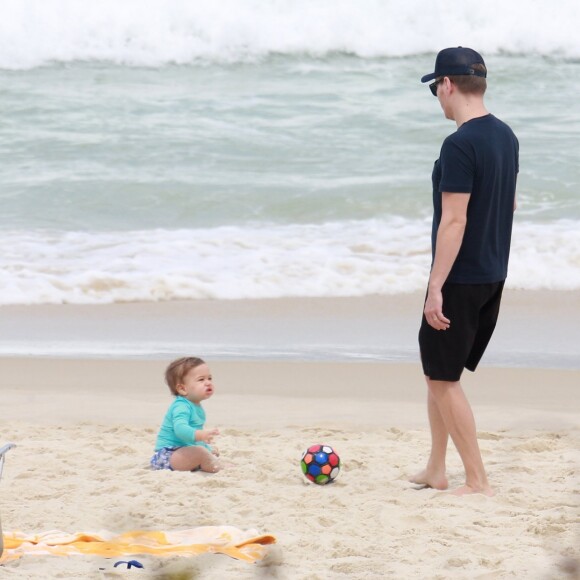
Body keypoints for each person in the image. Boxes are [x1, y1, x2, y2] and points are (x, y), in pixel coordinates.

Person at [411, 47, 519, 496]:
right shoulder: (505, 136)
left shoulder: (459, 143)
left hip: (460, 278)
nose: (437, 96)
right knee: (441, 372)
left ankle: (477, 480)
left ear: (448, 84)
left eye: (436, 87)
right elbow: (508, 203)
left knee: (443, 378)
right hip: (492, 271)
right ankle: (437, 468)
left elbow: (455, 220)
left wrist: (435, 286)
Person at [151, 357, 221, 473]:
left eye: (209, 378)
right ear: (182, 389)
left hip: (181, 452)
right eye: (201, 380)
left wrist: (205, 446)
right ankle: (218, 468)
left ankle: (206, 459)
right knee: (200, 452)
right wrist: (200, 435)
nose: (208, 382)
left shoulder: (195, 405)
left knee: (206, 450)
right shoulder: (181, 406)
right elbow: (181, 429)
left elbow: (191, 441)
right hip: (167, 455)